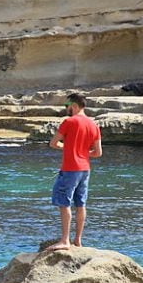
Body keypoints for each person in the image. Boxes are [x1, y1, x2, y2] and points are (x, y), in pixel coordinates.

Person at [46, 93, 102, 251]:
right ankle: (77, 240)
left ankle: (65, 240)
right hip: (85, 169)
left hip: (70, 168)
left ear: (74, 106)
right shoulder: (93, 125)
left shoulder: (69, 122)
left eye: (67, 106)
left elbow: (53, 143)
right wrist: (83, 152)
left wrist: (68, 148)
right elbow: (98, 153)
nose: (66, 109)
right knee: (81, 204)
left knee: (64, 203)